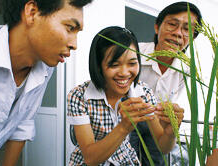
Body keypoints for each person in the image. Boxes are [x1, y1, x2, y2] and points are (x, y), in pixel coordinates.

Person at [0, 0, 93, 165]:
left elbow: (22, 123)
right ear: (32, 13)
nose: (74, 45)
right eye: (69, 28)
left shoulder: (44, 68)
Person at [67, 26, 184, 165]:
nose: (124, 73)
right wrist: (124, 127)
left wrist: (171, 132)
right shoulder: (79, 96)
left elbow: (162, 147)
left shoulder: (143, 92)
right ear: (98, 66)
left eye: (132, 63)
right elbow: (90, 159)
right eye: (114, 65)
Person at [129, 1, 202, 166]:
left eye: (187, 30)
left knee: (158, 161)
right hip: (127, 118)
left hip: (156, 123)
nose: (178, 33)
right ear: (157, 27)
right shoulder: (135, 53)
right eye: (172, 24)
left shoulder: (186, 69)